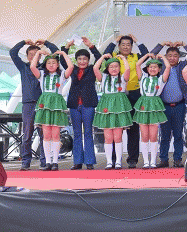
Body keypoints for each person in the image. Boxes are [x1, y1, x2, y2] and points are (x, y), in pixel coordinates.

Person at [10, 39, 58, 171]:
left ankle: (44, 161)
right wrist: (23, 42)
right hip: (28, 104)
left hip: (42, 105)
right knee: (27, 135)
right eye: (30, 54)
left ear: (40, 55)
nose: (33, 56)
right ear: (27, 56)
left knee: (44, 134)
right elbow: (13, 52)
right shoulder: (23, 67)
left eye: (36, 54)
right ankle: (25, 162)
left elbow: (56, 54)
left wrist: (46, 43)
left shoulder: (44, 68)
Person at [103, 34, 149, 168]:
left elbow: (146, 54)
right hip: (117, 96)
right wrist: (114, 40)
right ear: (119, 45)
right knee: (115, 127)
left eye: (128, 44)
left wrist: (137, 40)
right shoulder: (114, 56)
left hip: (134, 93)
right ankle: (113, 159)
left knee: (133, 127)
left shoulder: (136, 57)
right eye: (122, 44)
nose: (125, 47)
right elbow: (105, 53)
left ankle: (132, 159)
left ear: (132, 46)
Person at [150, 41, 187, 168]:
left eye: (175, 56)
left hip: (179, 106)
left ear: (179, 57)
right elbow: (152, 55)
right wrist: (161, 45)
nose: (172, 58)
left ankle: (178, 159)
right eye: (170, 55)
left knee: (178, 134)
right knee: (164, 135)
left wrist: (184, 44)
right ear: (166, 56)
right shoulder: (162, 67)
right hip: (164, 106)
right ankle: (163, 159)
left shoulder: (183, 66)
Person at [61, 37, 102, 170]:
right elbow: (63, 60)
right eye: (79, 59)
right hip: (74, 105)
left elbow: (99, 58)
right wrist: (66, 47)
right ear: (76, 60)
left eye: (85, 59)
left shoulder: (92, 69)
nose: (82, 61)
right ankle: (77, 161)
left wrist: (91, 46)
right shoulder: (72, 69)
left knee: (88, 132)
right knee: (77, 133)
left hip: (88, 104)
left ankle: (89, 161)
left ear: (88, 60)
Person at [30, 50, 73, 171]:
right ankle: (48, 162)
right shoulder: (42, 74)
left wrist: (63, 54)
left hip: (57, 104)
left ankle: (55, 162)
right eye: (49, 63)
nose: (51, 65)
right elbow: (32, 66)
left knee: (55, 134)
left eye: (54, 62)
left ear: (58, 64)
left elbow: (71, 67)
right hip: (45, 104)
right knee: (46, 135)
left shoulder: (62, 75)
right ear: (45, 64)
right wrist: (38, 53)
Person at [92, 54, 133, 169]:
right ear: (107, 68)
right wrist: (103, 57)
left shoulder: (123, 78)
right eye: (111, 67)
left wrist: (123, 58)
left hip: (119, 107)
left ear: (119, 68)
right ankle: (109, 162)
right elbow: (95, 68)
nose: (114, 68)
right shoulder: (104, 78)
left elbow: (128, 69)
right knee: (108, 137)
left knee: (118, 137)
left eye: (116, 66)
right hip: (106, 107)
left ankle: (118, 162)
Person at [133, 53, 170, 169]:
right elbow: (137, 65)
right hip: (143, 105)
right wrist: (147, 55)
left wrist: (162, 57)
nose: (153, 69)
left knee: (153, 136)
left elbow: (168, 67)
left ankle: (153, 161)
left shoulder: (161, 80)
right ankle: (145, 162)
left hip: (155, 106)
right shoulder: (143, 78)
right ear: (147, 68)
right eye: (150, 67)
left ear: (159, 69)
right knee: (144, 135)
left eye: (155, 67)